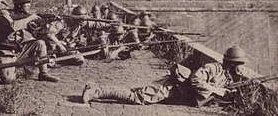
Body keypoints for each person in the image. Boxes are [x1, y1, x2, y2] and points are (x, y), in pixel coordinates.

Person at [82, 46, 249, 106]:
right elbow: (196, 79)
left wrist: (224, 91)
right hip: (172, 86)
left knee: (137, 92)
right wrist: (216, 90)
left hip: (179, 94)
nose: (241, 70)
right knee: (138, 98)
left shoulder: (227, 77)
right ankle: (95, 90)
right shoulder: (213, 67)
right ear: (232, 64)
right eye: (240, 66)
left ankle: (97, 88)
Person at [0, 0, 59, 84]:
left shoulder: (25, 16)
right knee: (8, 80)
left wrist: (45, 24)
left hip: (19, 50)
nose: (30, 5)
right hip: (5, 52)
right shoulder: (5, 13)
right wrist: (30, 18)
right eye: (27, 3)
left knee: (40, 43)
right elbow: (13, 26)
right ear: (19, 5)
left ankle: (43, 73)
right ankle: (2, 71)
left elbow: (37, 34)